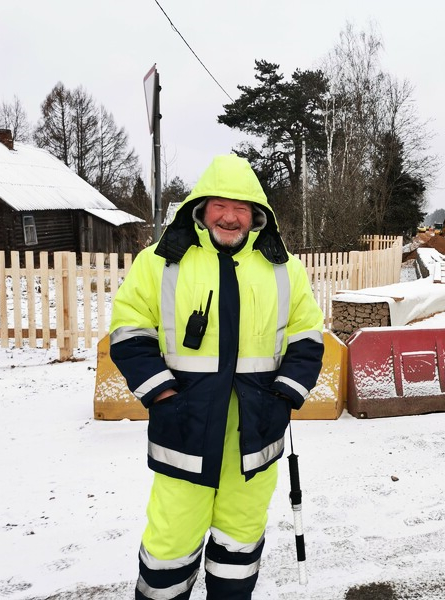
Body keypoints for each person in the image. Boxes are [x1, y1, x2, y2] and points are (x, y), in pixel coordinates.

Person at [110, 154, 324, 599]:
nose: (230, 217)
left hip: (256, 435)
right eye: (220, 206)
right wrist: (162, 394)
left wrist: (285, 396)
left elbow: (307, 338)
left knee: (240, 541)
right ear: (201, 208)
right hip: (184, 431)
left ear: (257, 214)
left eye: (241, 207)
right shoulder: (160, 262)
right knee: (169, 544)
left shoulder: (284, 268)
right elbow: (129, 331)